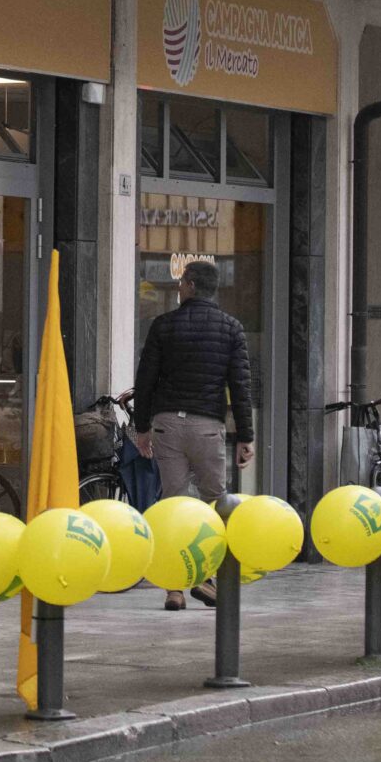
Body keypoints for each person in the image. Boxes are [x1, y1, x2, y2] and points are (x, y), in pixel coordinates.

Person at [131, 259, 254, 612]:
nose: (179, 287)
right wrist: (245, 435)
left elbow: (145, 381)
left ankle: (174, 589)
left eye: (181, 281)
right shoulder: (231, 328)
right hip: (206, 427)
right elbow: (240, 386)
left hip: (167, 424)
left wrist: (142, 429)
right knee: (215, 504)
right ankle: (206, 578)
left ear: (190, 285)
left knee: (173, 505)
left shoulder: (163, 326)